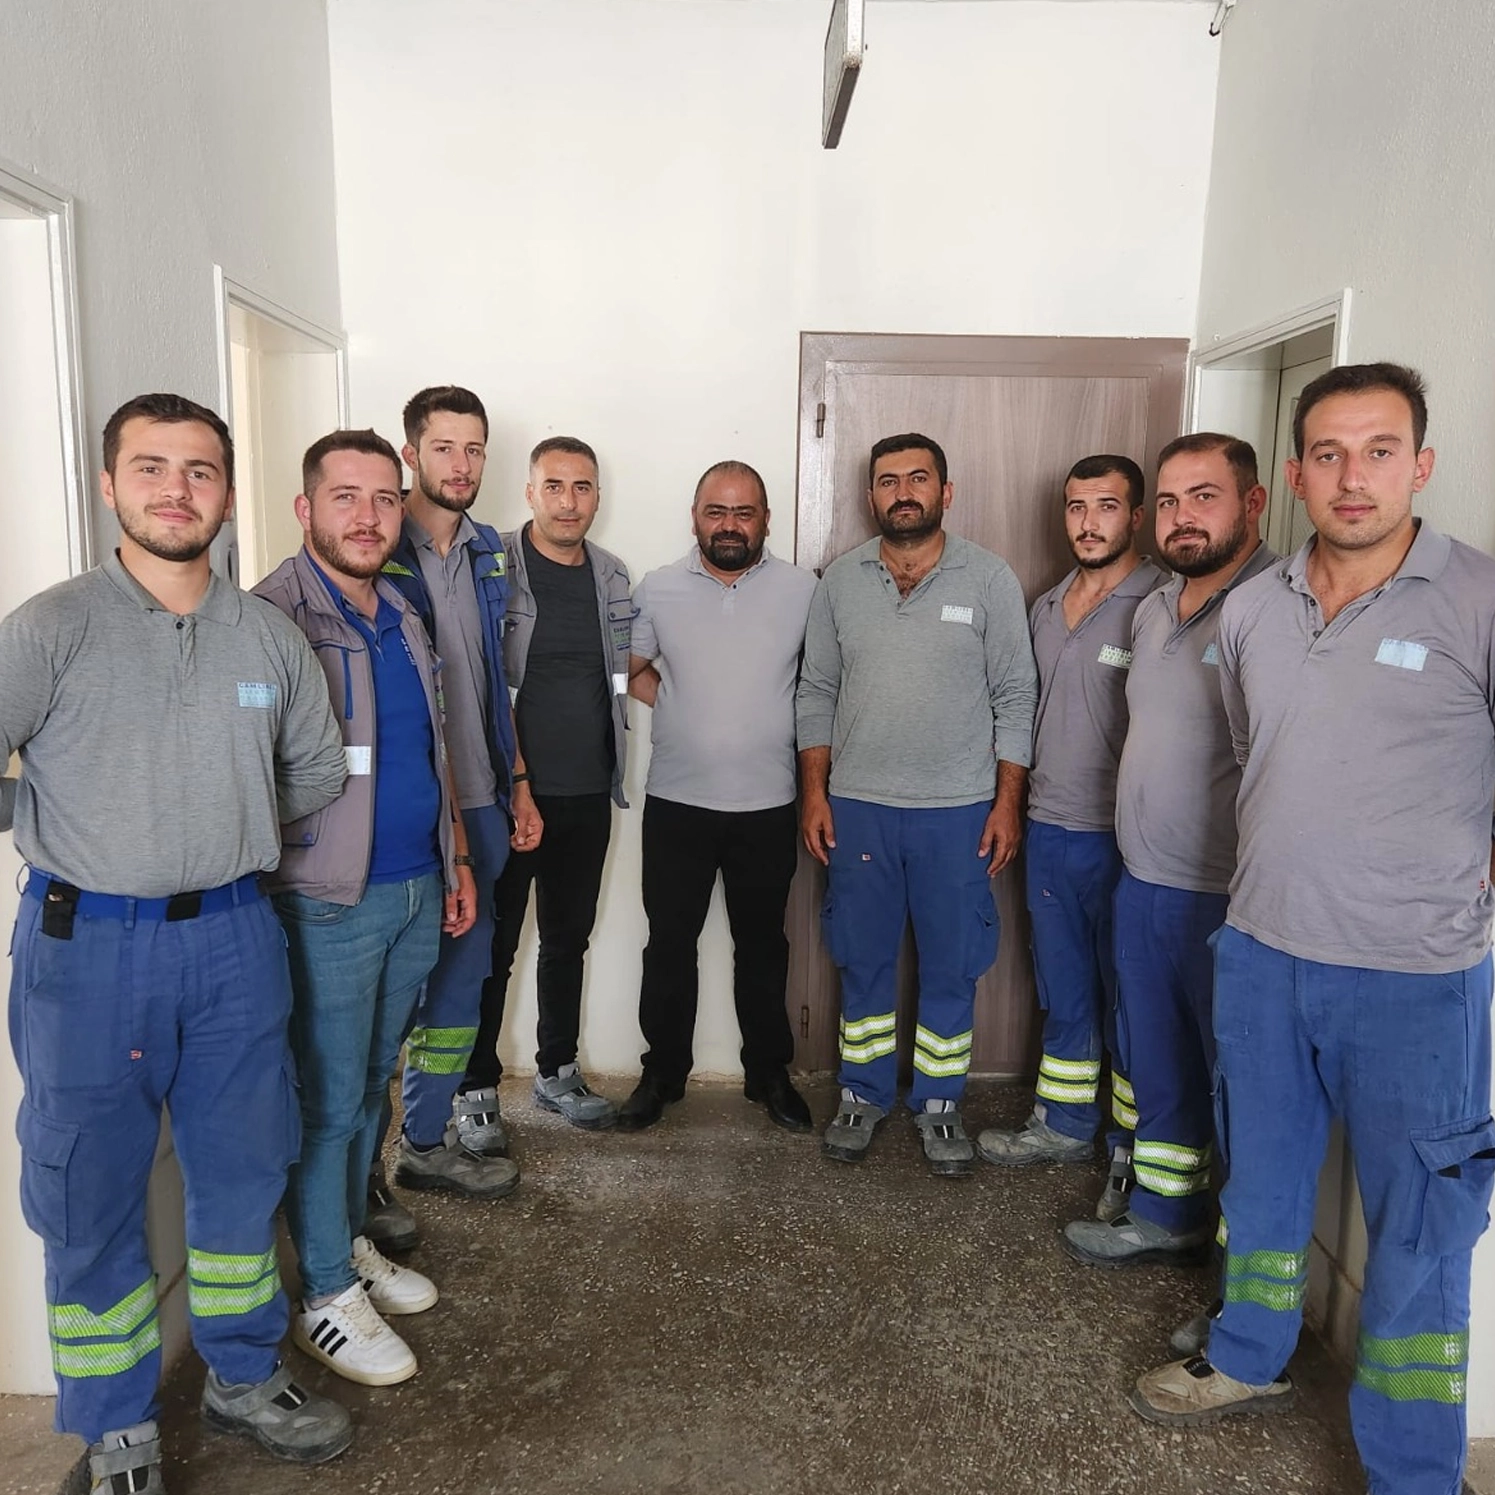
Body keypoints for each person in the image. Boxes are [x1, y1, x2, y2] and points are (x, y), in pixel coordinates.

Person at [1132, 365, 1495, 1495]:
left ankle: (1412, 1470)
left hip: (1416, 975)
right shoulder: (1253, 608)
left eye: (1379, 451)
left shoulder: (1477, 600)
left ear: (1419, 465)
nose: (1352, 477)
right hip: (1262, 949)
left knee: (1422, 1224)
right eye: (1329, 454)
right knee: (1262, 1182)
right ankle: (1249, 1354)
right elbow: (1262, 759)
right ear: (1293, 476)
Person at [0, 394, 351, 1492]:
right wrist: (63, 820)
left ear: (228, 494)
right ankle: (116, 1430)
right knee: (90, 1192)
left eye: (199, 470)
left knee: (244, 1172)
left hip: (237, 939)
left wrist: (218, 824)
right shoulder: (51, 627)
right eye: (150, 467)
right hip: (88, 952)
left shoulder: (267, 635)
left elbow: (315, 768)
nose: (175, 490)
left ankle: (241, 1374)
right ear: (110, 485)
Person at [254, 428, 478, 1386]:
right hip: (325, 900)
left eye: (385, 497)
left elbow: (432, 747)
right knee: (329, 1095)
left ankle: (345, 1241)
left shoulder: (401, 609)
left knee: (372, 1081)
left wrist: (454, 855)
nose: (368, 515)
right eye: (345, 496)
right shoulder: (272, 617)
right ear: (305, 508)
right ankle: (324, 1294)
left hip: (413, 885)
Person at [796, 433, 1037, 1176]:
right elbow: (816, 690)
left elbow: (1015, 694)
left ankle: (939, 1102)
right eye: (888, 480)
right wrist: (814, 792)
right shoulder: (841, 581)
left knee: (952, 964)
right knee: (862, 958)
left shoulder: (989, 578)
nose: (903, 492)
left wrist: (1007, 803)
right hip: (858, 806)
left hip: (959, 811)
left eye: (918, 478)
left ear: (945, 491)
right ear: (871, 495)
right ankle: (861, 1094)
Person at [1062, 433, 1275, 1270]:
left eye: (1204, 496)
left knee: (1238, 1082)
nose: (1183, 517)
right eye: (1170, 501)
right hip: (1143, 877)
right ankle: (1162, 1210)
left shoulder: (1277, 607)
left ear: (1253, 502)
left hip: (1228, 894)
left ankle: (1236, 1270)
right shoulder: (1154, 607)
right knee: (1155, 1058)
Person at [976, 454, 1161, 1221]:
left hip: (1127, 839)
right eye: (1076, 506)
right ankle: (1063, 1123)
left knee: (1134, 1001)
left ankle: (1132, 1147)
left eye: (1106, 506)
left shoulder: (1162, 603)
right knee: (1064, 987)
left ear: (1135, 517)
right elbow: (1019, 711)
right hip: (1048, 828)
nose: (1088, 522)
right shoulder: (1045, 605)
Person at [372, 388, 537, 1216]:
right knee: (381, 1001)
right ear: (411, 453)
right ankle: (358, 1180)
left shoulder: (487, 553)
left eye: (474, 448)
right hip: (406, 813)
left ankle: (425, 1143)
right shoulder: (374, 544)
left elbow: (495, 684)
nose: (461, 464)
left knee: (459, 991)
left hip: (482, 801)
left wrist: (518, 783)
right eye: (443, 447)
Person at [619, 460, 818, 1131]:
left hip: (768, 803)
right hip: (678, 802)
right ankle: (661, 1074)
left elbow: (820, 682)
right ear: (695, 518)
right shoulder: (659, 588)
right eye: (716, 511)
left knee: (763, 947)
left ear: (765, 520)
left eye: (743, 512)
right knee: (668, 945)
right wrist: (680, 705)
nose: (729, 525)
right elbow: (630, 669)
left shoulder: (802, 590)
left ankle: (768, 1073)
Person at [456, 435, 631, 1138]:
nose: (568, 501)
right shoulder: (489, 564)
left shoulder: (612, 575)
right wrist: (519, 781)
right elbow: (476, 681)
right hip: (507, 796)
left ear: (597, 496)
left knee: (566, 940)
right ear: (530, 492)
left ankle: (557, 1069)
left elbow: (624, 671)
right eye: (553, 486)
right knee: (491, 948)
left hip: (587, 792)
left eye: (582, 486)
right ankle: (473, 1086)